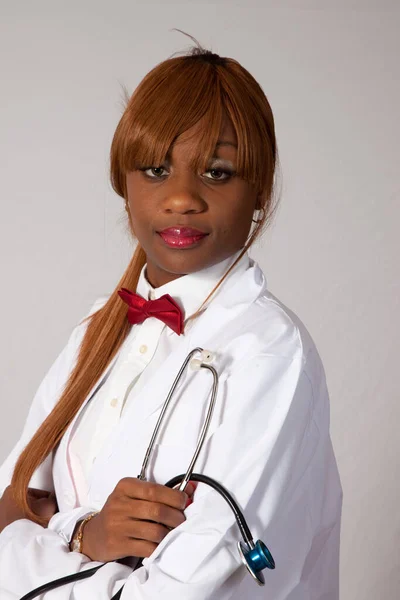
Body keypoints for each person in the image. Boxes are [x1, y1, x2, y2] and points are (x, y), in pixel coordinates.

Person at [0, 39, 343, 600]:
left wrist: (32, 553)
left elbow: (181, 593)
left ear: (260, 188)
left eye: (217, 171)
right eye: (156, 169)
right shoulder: (96, 331)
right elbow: (11, 504)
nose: (182, 198)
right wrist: (86, 534)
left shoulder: (269, 356)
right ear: (124, 184)